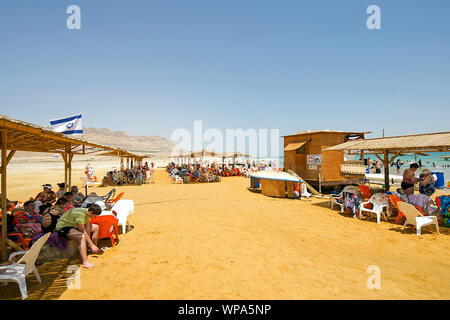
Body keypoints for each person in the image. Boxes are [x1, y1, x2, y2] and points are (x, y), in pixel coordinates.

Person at [55, 204, 103, 268]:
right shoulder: (80, 215)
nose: (95, 217)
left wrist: (91, 245)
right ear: (91, 212)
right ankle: (85, 262)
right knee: (82, 236)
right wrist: (91, 244)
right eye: (95, 216)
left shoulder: (88, 214)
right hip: (63, 227)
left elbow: (87, 229)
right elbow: (83, 231)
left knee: (96, 227)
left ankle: (94, 250)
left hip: (74, 226)